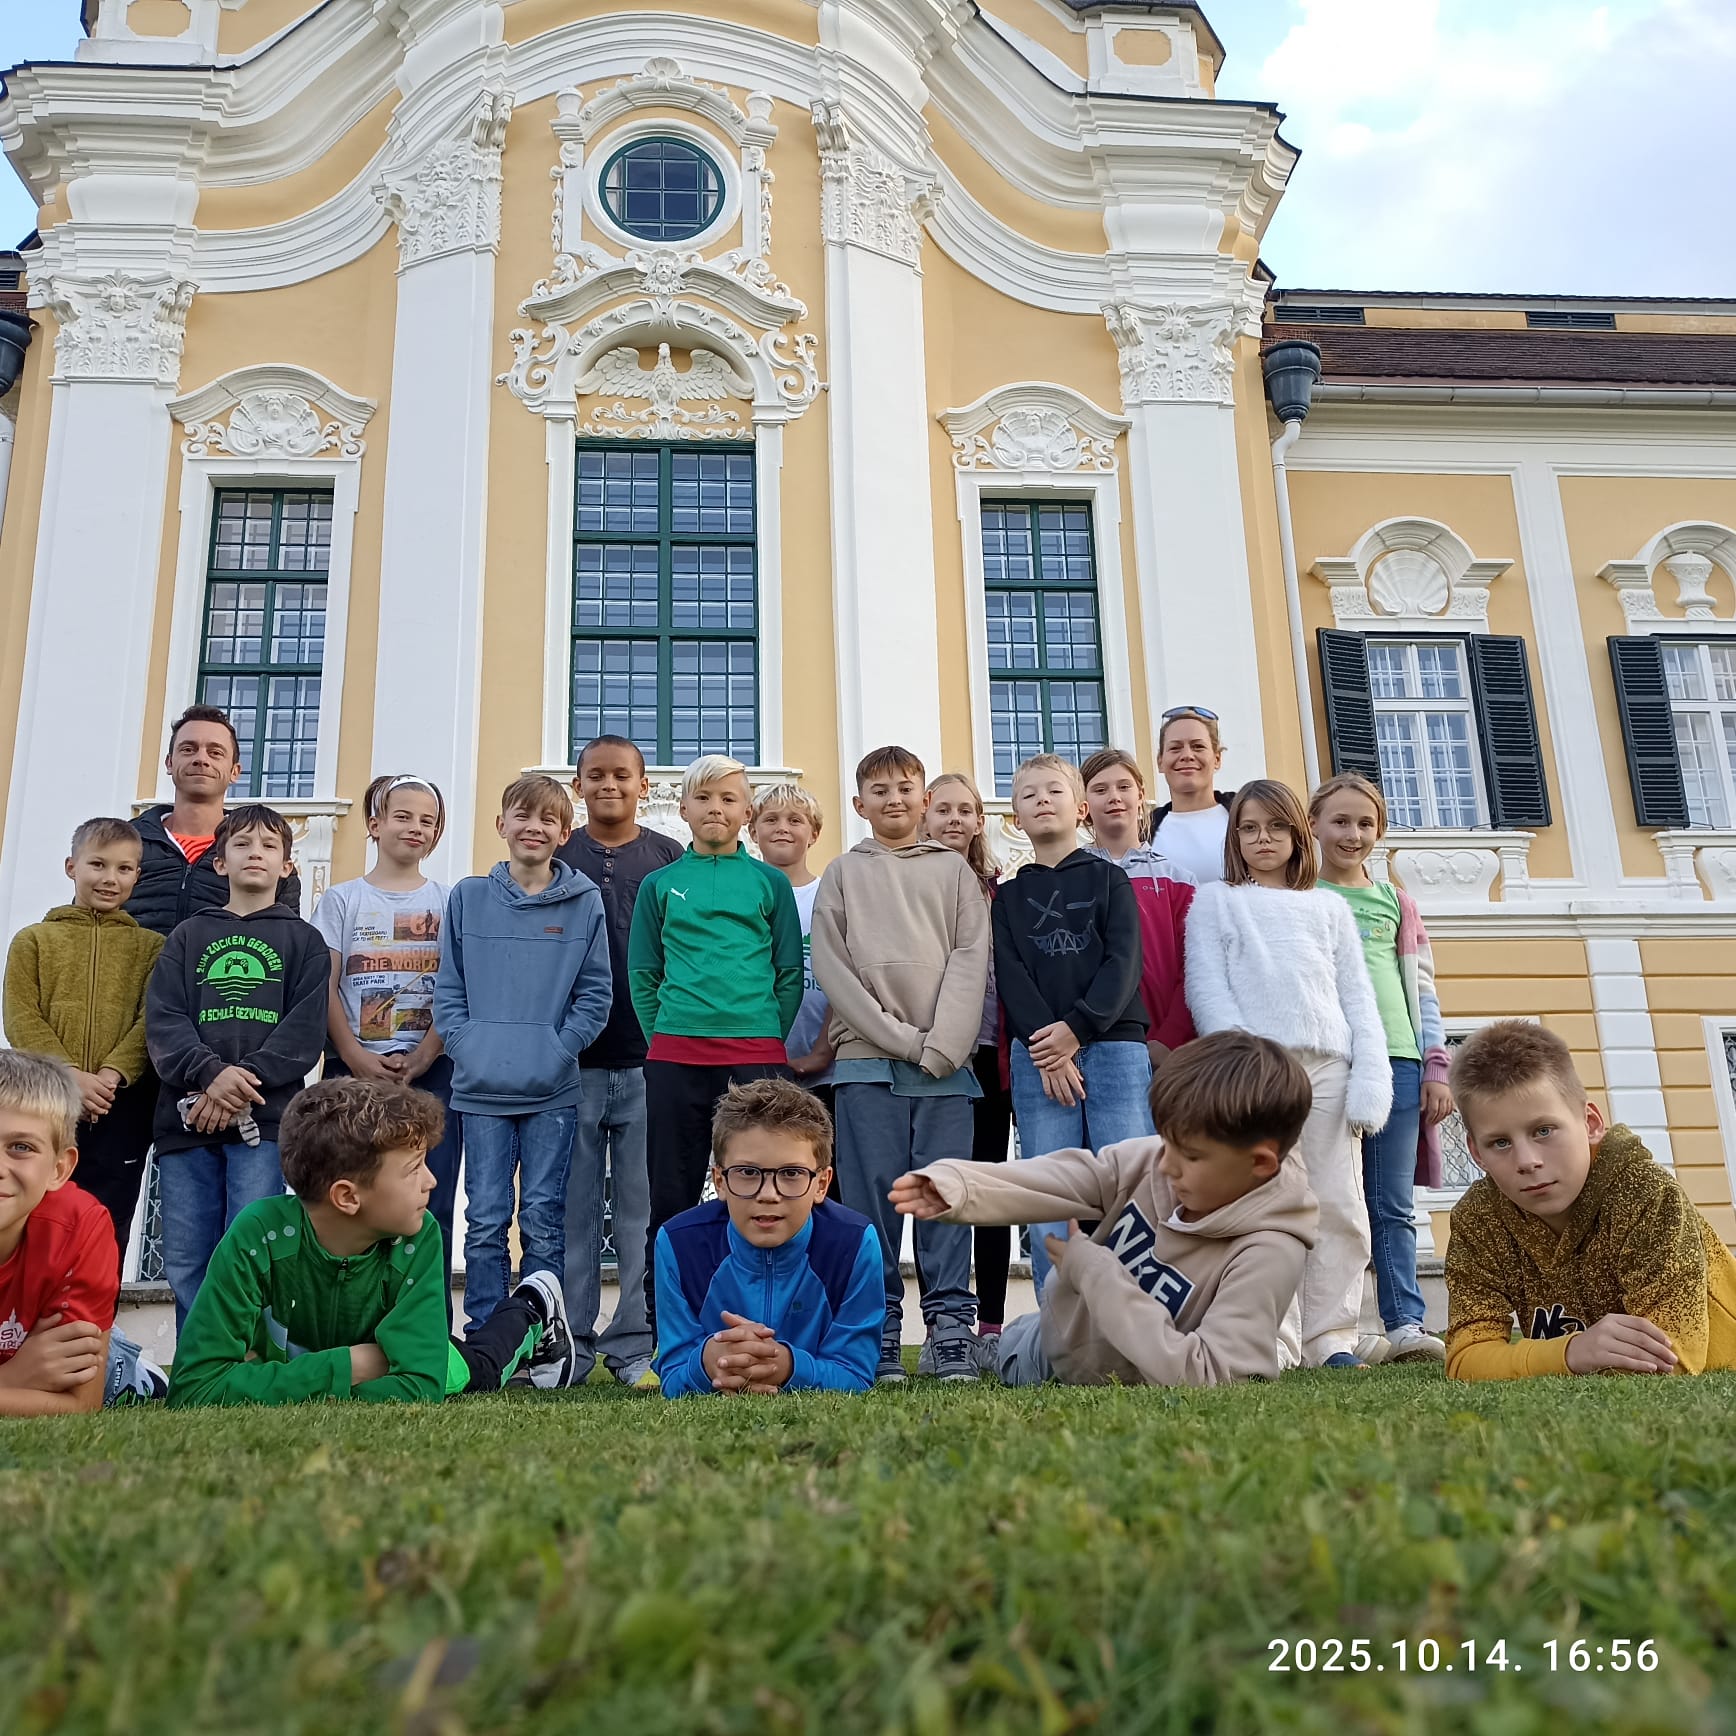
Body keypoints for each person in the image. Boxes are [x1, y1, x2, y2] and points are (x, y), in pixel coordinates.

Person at [890, 1031, 1319, 1388]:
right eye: (1166, 1142)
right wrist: (962, 1187)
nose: (1165, 1165)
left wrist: (1094, 1271)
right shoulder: (1161, 1160)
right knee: (1014, 1347)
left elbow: (1212, 1374)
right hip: (1048, 1344)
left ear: (1259, 1163)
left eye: (1190, 1155)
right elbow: (1074, 1176)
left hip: (1110, 1370)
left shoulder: (1270, 1251)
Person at [166, 1077, 582, 1407]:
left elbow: (419, 1385)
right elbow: (194, 1387)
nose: (431, 1181)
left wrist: (260, 1381)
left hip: (419, 1348)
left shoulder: (417, 1236)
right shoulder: (259, 1235)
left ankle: (531, 1309)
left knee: (482, 1369)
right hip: (382, 1354)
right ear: (347, 1197)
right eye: (414, 1169)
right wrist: (352, 1364)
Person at [1184, 778, 1390, 1369]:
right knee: (1267, 1203)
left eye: (1275, 827)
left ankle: (1332, 1337)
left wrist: (1370, 1075)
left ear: (1298, 834)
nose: (1263, 839)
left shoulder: (1328, 907)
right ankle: (1274, 1336)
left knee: (1339, 1202)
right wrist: (1241, 1063)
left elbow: (1358, 997)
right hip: (1260, 1072)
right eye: (1249, 828)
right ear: (1235, 838)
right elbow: (1208, 988)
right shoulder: (1216, 902)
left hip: (1328, 1067)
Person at [811, 745, 988, 1385]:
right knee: (870, 1207)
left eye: (905, 788)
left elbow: (971, 960)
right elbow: (833, 968)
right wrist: (904, 1041)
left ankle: (950, 1331)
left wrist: (940, 1047)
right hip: (866, 1064)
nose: (894, 799)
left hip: (945, 1066)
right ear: (860, 804)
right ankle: (878, 1331)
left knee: (945, 1199)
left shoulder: (954, 873)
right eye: (879, 791)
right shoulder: (842, 874)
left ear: (924, 799)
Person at [1444, 1021, 1736, 1381]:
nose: (1527, 1161)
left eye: (1543, 1131)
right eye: (1500, 1143)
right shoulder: (1479, 1217)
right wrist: (1571, 1353)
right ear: (1476, 1152)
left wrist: (1549, 1360)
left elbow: (1668, 1359)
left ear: (1591, 1123)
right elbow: (1465, 1359)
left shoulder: (1646, 1194)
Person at [433, 775, 612, 1338]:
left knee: (542, 1218)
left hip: (552, 1089)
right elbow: (448, 989)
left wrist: (560, 1049)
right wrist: (466, 1046)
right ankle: (487, 1338)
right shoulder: (468, 898)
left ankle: (538, 1339)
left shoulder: (584, 902)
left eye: (547, 819)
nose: (534, 827)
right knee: (485, 1219)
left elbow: (595, 994)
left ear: (564, 833)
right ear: (501, 824)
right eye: (522, 815)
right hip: (480, 1088)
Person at [629, 756, 804, 1325]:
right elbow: (643, 973)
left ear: (746, 812)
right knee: (671, 1194)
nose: (716, 809)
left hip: (755, 1059)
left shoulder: (769, 884)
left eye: (729, 799)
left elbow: (787, 973)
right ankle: (667, 1326)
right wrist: (665, 1036)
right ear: (683, 808)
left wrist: (763, 1034)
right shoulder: (659, 885)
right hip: (675, 1058)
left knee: (763, 1193)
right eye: (703, 798)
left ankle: (768, 1318)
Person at [145, 804, 330, 1333]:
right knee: (187, 1260)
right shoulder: (187, 936)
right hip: (186, 1122)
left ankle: (248, 1362)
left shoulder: (305, 942)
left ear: (287, 866)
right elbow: (164, 1019)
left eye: (269, 846)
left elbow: (302, 1034)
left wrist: (237, 1083)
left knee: (252, 1254)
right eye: (243, 844)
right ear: (220, 861)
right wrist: (210, 1075)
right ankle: (197, 1365)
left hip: (264, 1125)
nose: (256, 854)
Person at [994, 753, 1152, 1298]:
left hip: (1114, 1047)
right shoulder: (1009, 897)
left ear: (1081, 808)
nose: (1042, 799)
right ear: (1016, 818)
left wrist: (1077, 1030)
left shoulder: (1110, 879)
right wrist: (1050, 1045)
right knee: (1049, 1191)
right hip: (1039, 1054)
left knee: (1127, 1186)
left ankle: (1136, 1318)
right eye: (1029, 794)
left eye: (1054, 791)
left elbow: (1123, 962)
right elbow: (1011, 974)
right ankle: (1060, 1324)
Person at [552, 736, 682, 1388]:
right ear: (577, 785)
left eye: (622, 775)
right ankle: (571, 1343)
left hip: (649, 1060)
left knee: (641, 1211)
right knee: (573, 1212)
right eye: (596, 775)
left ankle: (635, 1343)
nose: (609, 785)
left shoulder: (669, 857)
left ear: (643, 784)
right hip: (570, 1063)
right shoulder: (556, 855)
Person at [1310, 773, 1452, 1364]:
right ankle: (1329, 1329)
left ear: (1380, 831)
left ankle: (1404, 1323)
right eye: (1340, 821)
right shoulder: (1305, 897)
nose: (1353, 833)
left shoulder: (1397, 903)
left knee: (1391, 1203)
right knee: (1331, 1200)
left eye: (1365, 823)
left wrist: (1436, 1065)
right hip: (1334, 1061)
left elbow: (1423, 989)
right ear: (1314, 826)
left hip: (1399, 1060)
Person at [314, 776, 461, 1325]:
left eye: (427, 820)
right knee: (352, 1195)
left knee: (429, 1202)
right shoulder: (342, 900)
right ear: (375, 825)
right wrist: (353, 1056)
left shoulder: (449, 902)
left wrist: (426, 1053)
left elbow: (458, 986)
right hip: (352, 1071)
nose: (414, 828)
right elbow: (325, 986)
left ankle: (426, 1330)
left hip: (432, 1071)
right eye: (403, 816)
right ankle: (346, 1329)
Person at [653, 1079, 882, 1397]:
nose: (769, 1194)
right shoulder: (678, 1244)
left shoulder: (854, 1243)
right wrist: (707, 1363)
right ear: (719, 1181)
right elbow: (673, 1377)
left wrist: (785, 1365)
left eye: (791, 1173)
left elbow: (855, 1373)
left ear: (821, 1184)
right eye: (748, 1172)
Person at [4, 818, 164, 1261]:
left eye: (124, 869)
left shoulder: (151, 947)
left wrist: (111, 1075)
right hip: (48, 1106)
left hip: (119, 1107)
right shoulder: (34, 940)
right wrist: (69, 1076)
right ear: (71, 866)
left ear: (137, 876)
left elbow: (150, 1020)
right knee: (36, 1219)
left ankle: (98, 1308)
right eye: (98, 864)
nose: (110, 878)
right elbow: (21, 1016)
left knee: (108, 1224)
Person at [922, 771, 1012, 1360]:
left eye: (965, 810)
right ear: (926, 816)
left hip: (987, 1052)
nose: (954, 819)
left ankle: (991, 1325)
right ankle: (940, 1320)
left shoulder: (999, 892)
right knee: (934, 1185)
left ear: (980, 821)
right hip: (930, 1051)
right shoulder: (909, 882)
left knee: (988, 1186)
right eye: (943, 809)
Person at [127, 705, 302, 936]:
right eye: (188, 749)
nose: (201, 759)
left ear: (235, 771)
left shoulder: (264, 854)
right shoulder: (126, 842)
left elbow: (287, 939)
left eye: (215, 752)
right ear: (169, 763)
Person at [1080, 748, 1197, 1065]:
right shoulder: (1069, 878)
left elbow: (1194, 967)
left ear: (1141, 794)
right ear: (1083, 804)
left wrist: (1170, 1040)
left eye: (1124, 787)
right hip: (1090, 1049)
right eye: (1100, 790)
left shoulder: (1177, 880)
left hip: (1164, 1050)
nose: (1114, 797)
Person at [749, 781, 835, 1117]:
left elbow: (846, 979)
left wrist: (822, 1052)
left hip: (823, 1070)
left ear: (814, 834)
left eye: (795, 820)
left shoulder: (830, 897)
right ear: (752, 831)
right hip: (752, 1062)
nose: (782, 828)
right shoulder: (742, 899)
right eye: (771, 819)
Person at [1150, 708, 1233, 888]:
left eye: (1198, 746)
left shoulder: (1245, 816)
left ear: (1217, 759)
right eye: (1175, 748)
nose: (1187, 755)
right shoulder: (1143, 832)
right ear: (1160, 762)